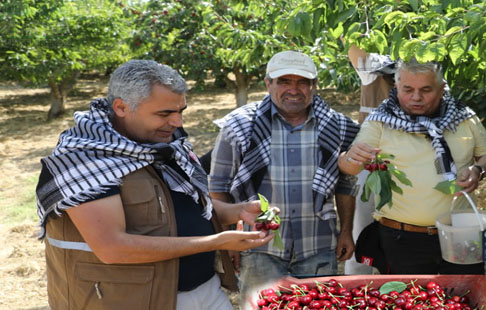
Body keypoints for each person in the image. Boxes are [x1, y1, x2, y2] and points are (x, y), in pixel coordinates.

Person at [35, 60, 274, 310]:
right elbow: (113, 248)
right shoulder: (84, 160)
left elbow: (185, 204)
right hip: (136, 300)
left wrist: (237, 212)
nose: (178, 122)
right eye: (165, 113)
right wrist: (216, 242)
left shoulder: (165, 143)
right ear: (121, 107)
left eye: (181, 110)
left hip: (206, 290)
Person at [208, 51, 360, 301]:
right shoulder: (239, 126)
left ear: (314, 86)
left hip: (317, 245)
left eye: (302, 82)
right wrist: (228, 241)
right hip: (259, 246)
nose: (294, 89)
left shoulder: (338, 127)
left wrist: (346, 231)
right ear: (268, 84)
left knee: (316, 306)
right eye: (284, 81)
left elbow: (345, 184)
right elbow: (219, 187)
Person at [339, 60, 486, 274]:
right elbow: (350, 168)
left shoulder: (464, 118)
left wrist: (478, 170)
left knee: (463, 298)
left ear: (442, 89)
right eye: (408, 90)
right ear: (396, 88)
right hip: (403, 239)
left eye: (426, 90)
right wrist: (349, 158)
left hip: (461, 233)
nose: (416, 97)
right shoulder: (380, 122)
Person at [345, 44, 397, 275]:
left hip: (410, 164)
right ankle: (357, 280)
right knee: (363, 223)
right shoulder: (378, 66)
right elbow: (354, 49)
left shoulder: (424, 64)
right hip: (372, 162)